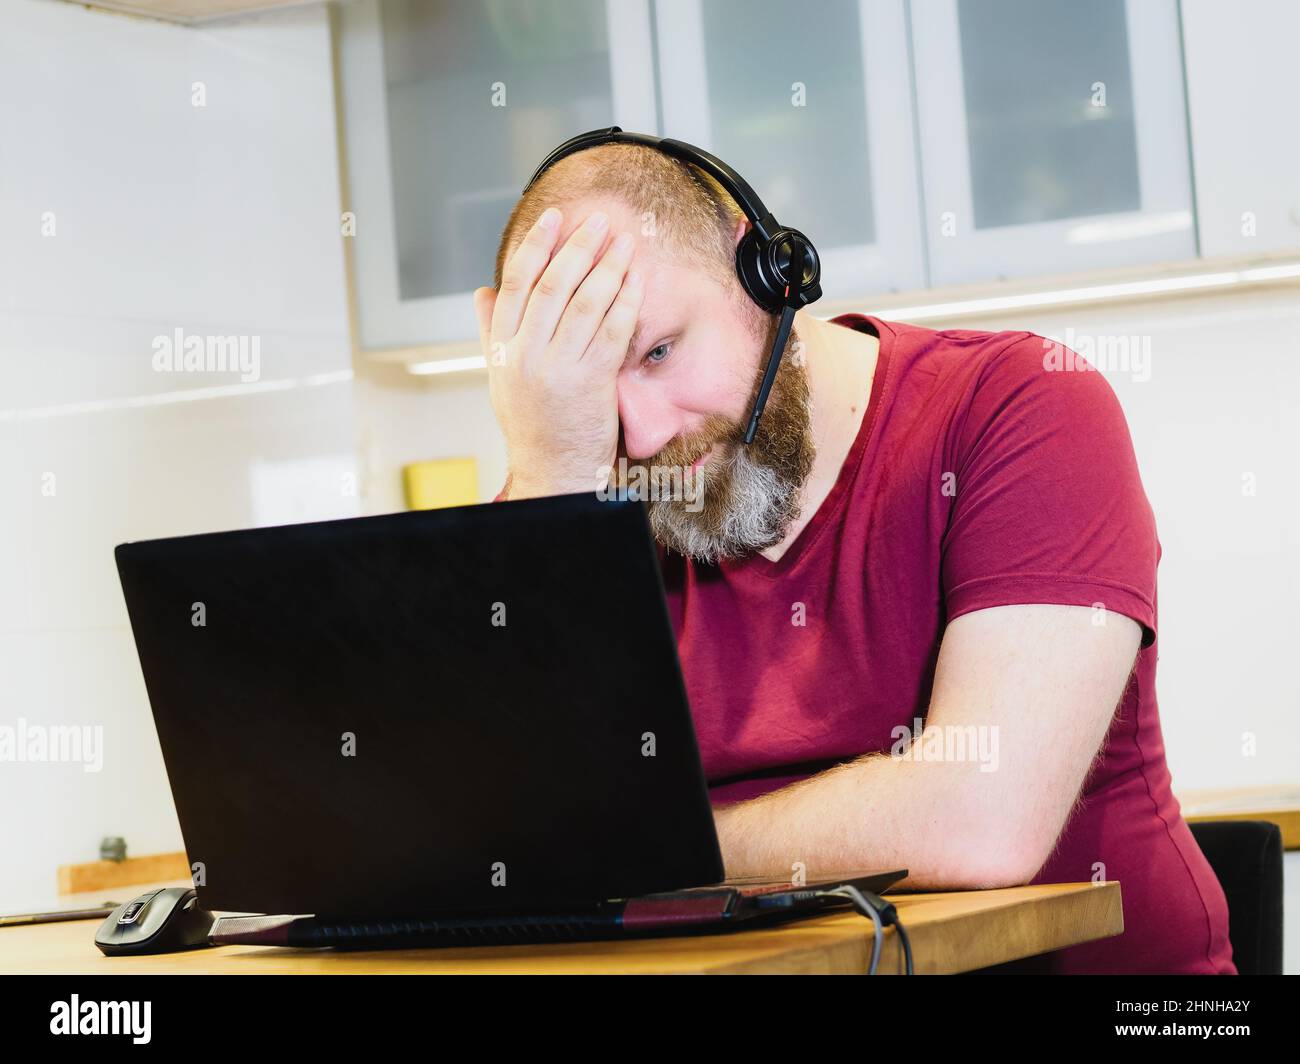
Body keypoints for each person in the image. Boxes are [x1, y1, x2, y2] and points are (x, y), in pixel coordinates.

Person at [474, 142, 1234, 975]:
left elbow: (982, 816)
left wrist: (644, 847)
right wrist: (552, 470)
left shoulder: (1026, 407)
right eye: (589, 389)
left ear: (765, 270)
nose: (646, 434)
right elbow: (494, 842)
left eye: (658, 353)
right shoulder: (593, 494)